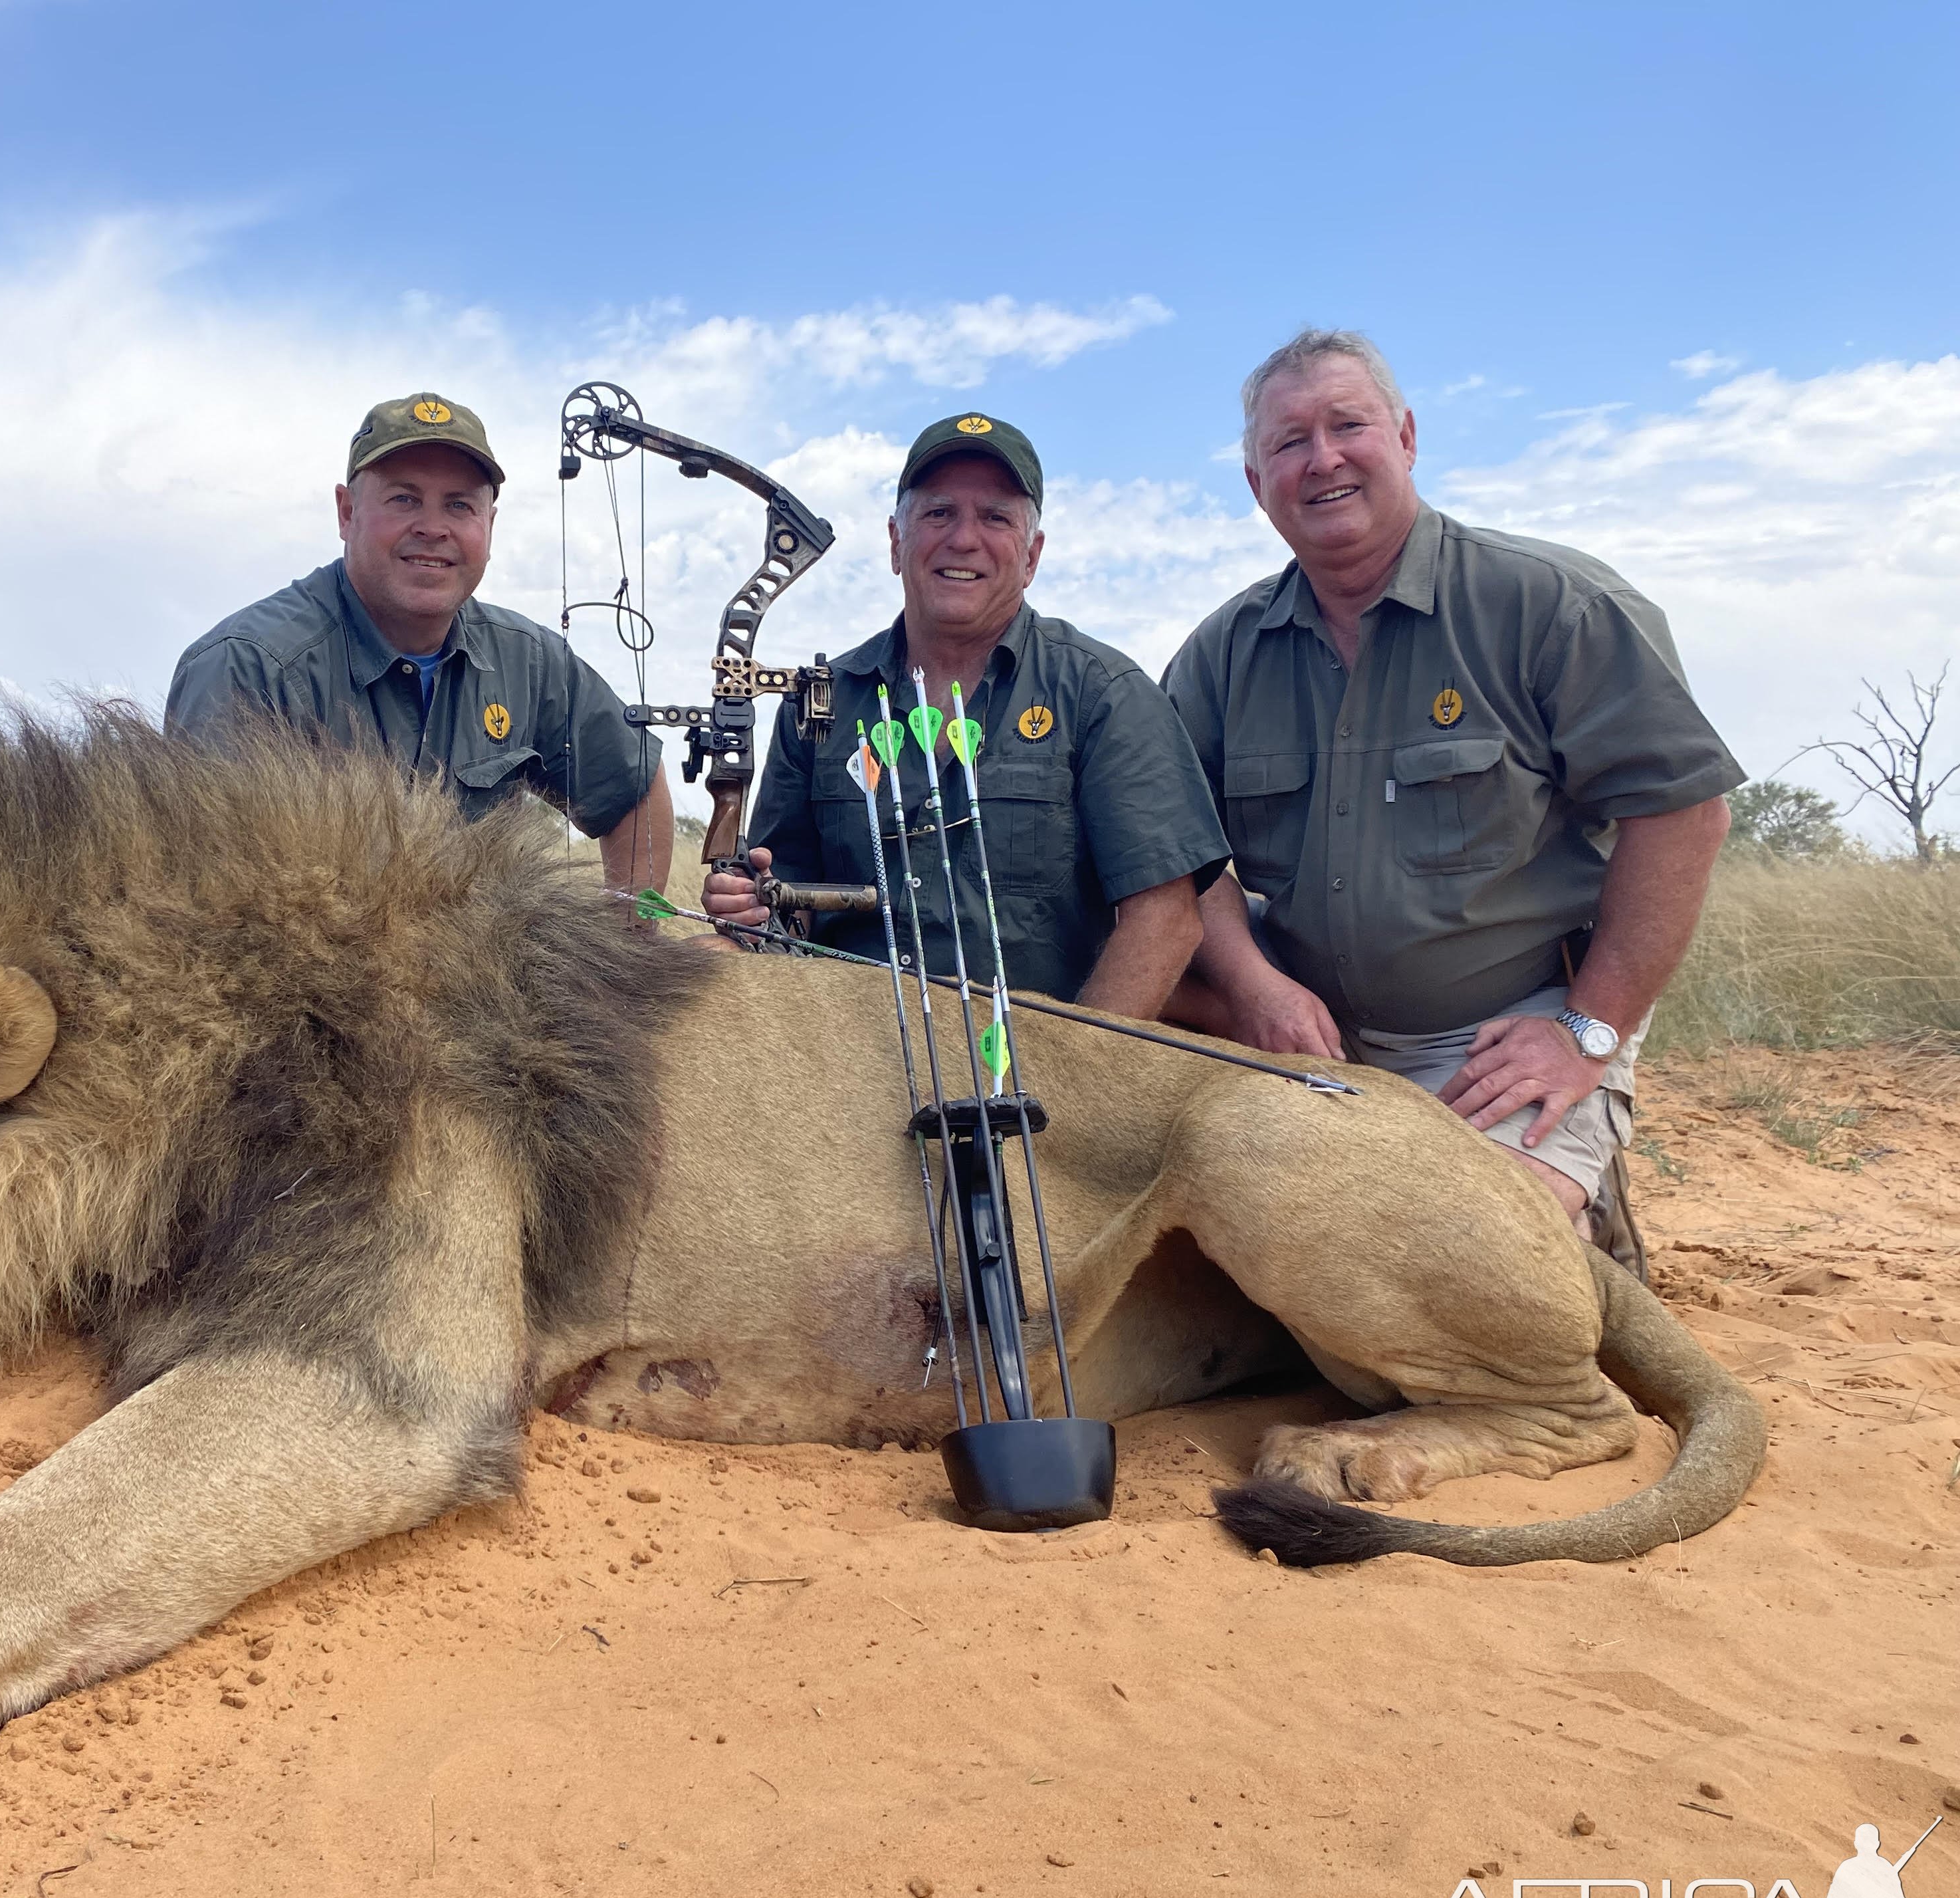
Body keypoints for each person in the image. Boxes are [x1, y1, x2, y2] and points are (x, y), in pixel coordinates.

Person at [1163, 329, 1741, 1261]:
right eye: (1288, 443)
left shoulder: (1554, 603)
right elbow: (1174, 853)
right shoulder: (1220, 653)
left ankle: (1575, 1204)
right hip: (1306, 1035)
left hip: (1501, 1039)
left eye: (1348, 425)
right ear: (1253, 480)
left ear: (1406, 436)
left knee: (1446, 1264)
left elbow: (1684, 812)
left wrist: (1585, 1033)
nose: (1323, 460)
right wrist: (1256, 985)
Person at [702, 412, 1227, 1014]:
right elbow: (786, 912)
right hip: (842, 1055)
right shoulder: (819, 700)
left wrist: (1076, 1079)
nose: (963, 539)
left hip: (1038, 1072)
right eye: (938, 513)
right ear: (897, 543)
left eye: (996, 517)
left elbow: (1165, 917)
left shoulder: (1105, 692)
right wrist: (754, 908)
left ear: (1032, 556)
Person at [167, 393, 674, 892]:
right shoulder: (246, 667)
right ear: (347, 513)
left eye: (459, 506)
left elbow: (633, 791)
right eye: (404, 499)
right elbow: (208, 901)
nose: (433, 529)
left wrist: (628, 951)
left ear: (489, 525)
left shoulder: (533, 661)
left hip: (488, 971)